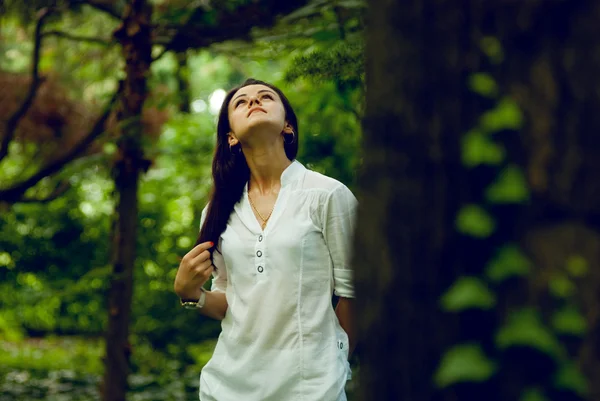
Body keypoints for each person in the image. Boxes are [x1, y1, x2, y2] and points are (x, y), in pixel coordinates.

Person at [174, 78, 357, 401]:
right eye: (240, 102)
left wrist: (336, 359)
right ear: (230, 136)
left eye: (265, 97)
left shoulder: (327, 195)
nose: (253, 102)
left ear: (287, 126)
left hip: (311, 388)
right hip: (226, 387)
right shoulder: (216, 213)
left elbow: (354, 293)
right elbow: (230, 301)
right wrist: (190, 292)